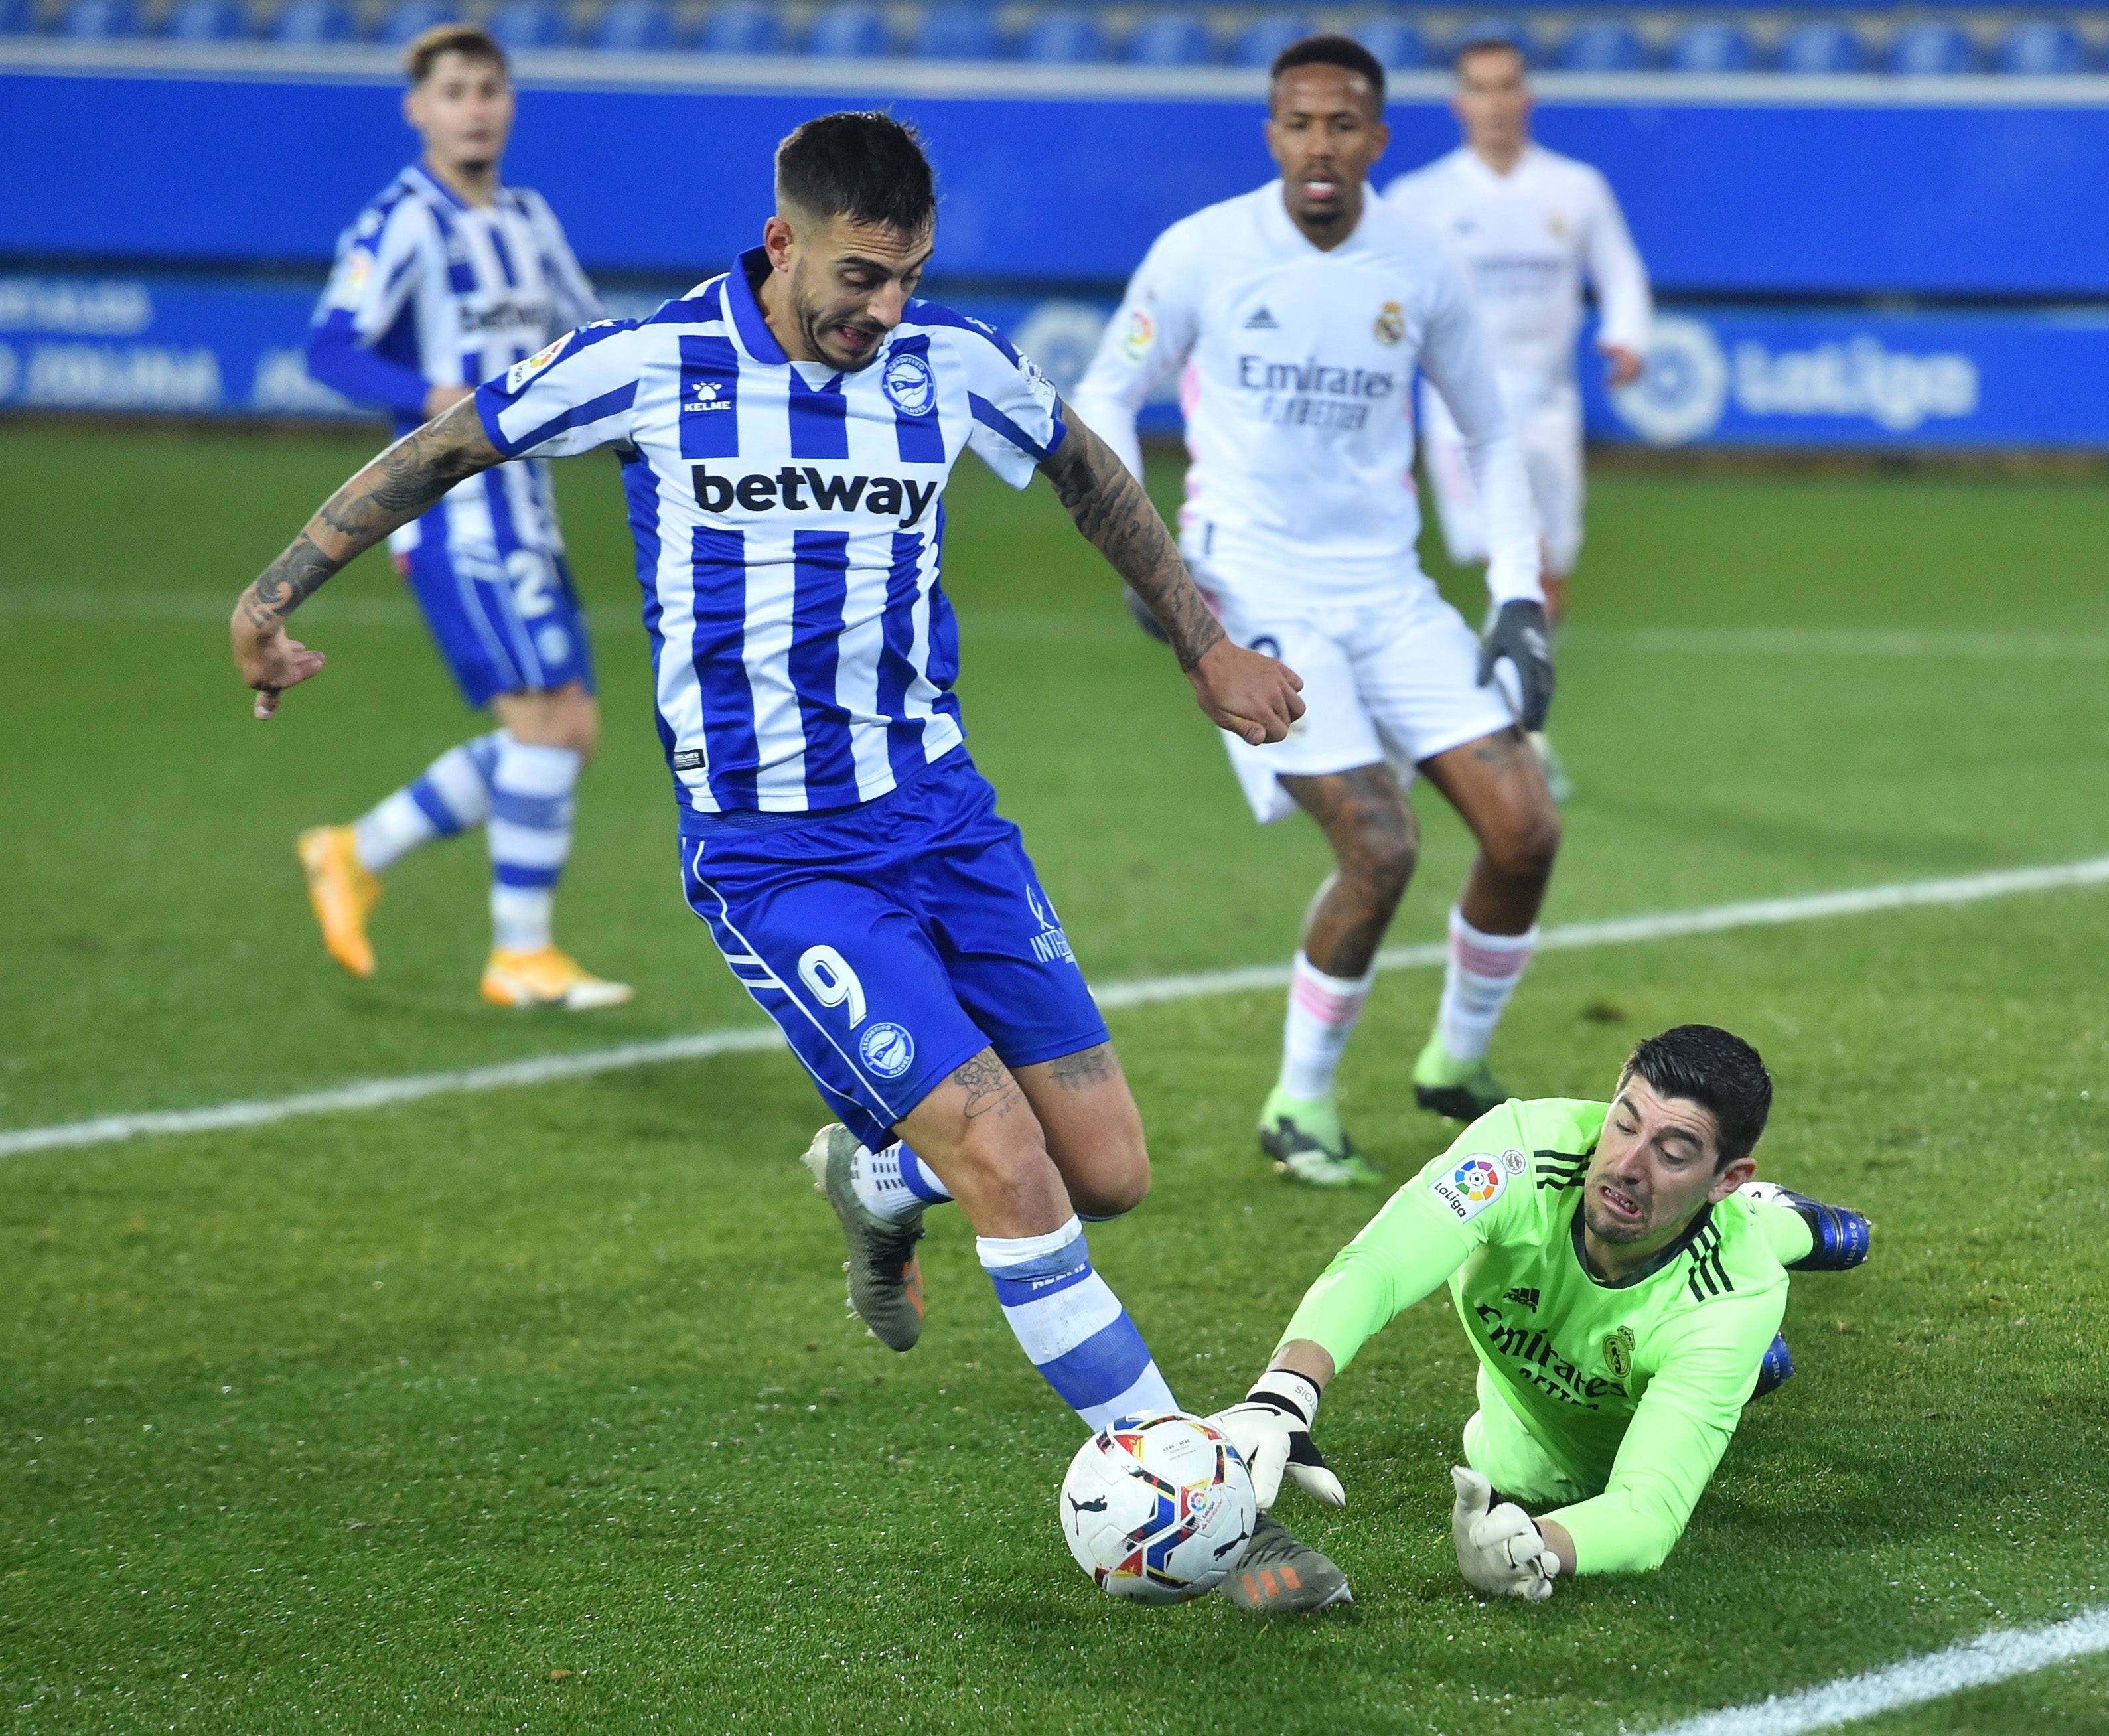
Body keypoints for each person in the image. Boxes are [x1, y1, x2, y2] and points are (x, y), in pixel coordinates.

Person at [227, 112, 1304, 1467]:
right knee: (1016, 1173)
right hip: (779, 856)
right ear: (781, 243)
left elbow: (1086, 469)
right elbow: (446, 449)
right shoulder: (650, 365)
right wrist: (271, 600)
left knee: (1109, 1173)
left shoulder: (945, 361)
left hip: (947, 819)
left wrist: (1205, 645)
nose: (886, 306)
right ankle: (1181, 1482)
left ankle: (872, 1174)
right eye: (860, 276)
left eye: (908, 274)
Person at [1073, 36, 1563, 1188]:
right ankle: (1298, 1101)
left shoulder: (1421, 262)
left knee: (1524, 830)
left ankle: (1453, 1063)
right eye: (1298, 123)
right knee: (1379, 844)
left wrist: (1513, 596)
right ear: (1271, 136)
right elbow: (1103, 397)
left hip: (1389, 592)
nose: (1319, 146)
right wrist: (1163, 579)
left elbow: (1489, 434)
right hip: (1252, 589)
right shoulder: (1201, 251)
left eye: (1342, 125)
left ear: (1377, 140)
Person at [1214, 1025, 1871, 1605]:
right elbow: (1378, 1264)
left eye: (1672, 1154)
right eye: (1623, 1123)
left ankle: (1779, 1220)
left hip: (1701, 1290)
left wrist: (1538, 1544)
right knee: (1530, 1455)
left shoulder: (1733, 1294)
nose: (1626, 1166)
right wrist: (1283, 1393)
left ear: (1723, 1174)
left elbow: (1647, 1512)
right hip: (1538, 1415)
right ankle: (1763, 1271)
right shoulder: (1519, 1153)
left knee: (1741, 1273)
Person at [295, 24, 627, 1009]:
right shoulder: (401, 220)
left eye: (489, 87)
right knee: (545, 725)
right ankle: (518, 955)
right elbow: (330, 349)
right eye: (453, 91)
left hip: (530, 504)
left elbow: (588, 332)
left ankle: (356, 849)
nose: (474, 106)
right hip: (455, 514)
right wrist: (430, 385)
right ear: (419, 109)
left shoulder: (529, 218)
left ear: (510, 101)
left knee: (565, 732)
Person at [1384, 37, 1652, 627]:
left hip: (1548, 402)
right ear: (1459, 102)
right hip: (1461, 406)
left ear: (1528, 96)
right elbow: (1378, 293)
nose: (1496, 103)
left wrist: (1628, 335)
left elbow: (1620, 272)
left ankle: (1521, 703)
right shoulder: (1418, 198)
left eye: (1507, 86)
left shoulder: (1576, 188)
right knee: (1515, 553)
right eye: (1480, 89)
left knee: (1549, 566)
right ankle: (1503, 708)